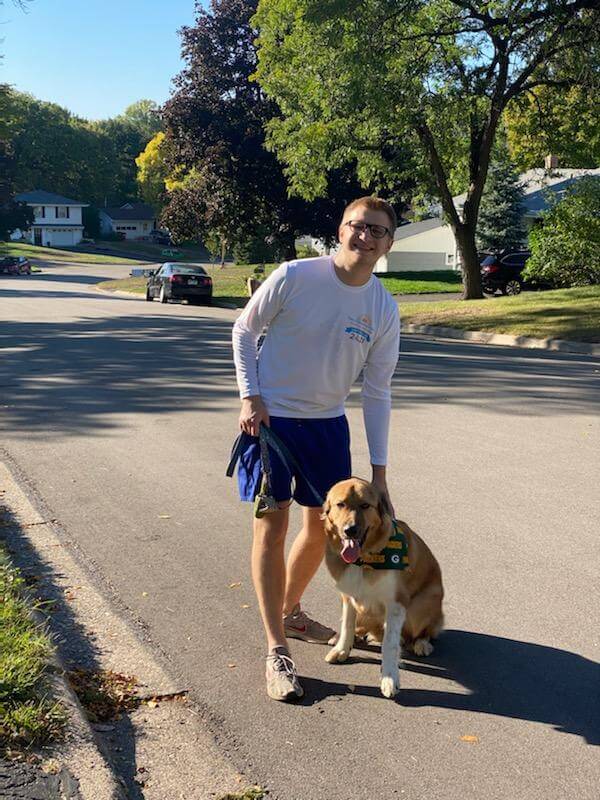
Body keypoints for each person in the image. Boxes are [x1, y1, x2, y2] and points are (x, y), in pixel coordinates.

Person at [231, 196, 400, 701]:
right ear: (340, 229)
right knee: (272, 524)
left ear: (389, 243)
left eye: (377, 231)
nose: (365, 237)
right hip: (272, 421)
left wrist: (380, 470)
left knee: (320, 529)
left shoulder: (383, 307)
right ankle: (276, 651)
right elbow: (245, 329)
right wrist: (250, 395)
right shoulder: (296, 275)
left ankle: (291, 610)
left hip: (328, 425)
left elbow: (378, 390)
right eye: (357, 226)